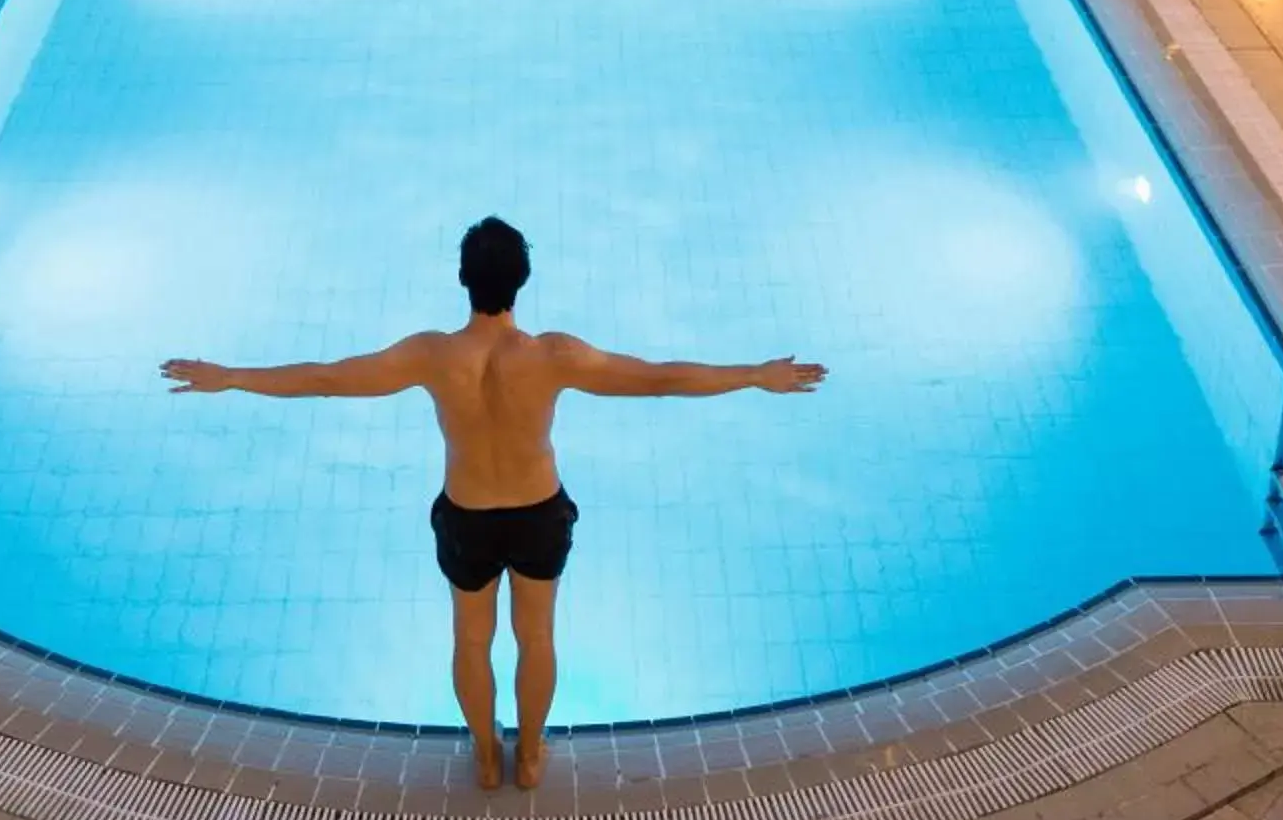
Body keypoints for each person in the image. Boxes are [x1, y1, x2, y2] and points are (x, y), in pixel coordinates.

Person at [162, 215, 826, 790]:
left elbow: (330, 379)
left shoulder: (431, 356)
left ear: (462, 280)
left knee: (470, 638)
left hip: (468, 517)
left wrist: (231, 378)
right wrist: (753, 376)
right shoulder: (553, 355)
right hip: (538, 512)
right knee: (536, 636)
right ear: (523, 280)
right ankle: (530, 755)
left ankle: (485, 754)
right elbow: (660, 379)